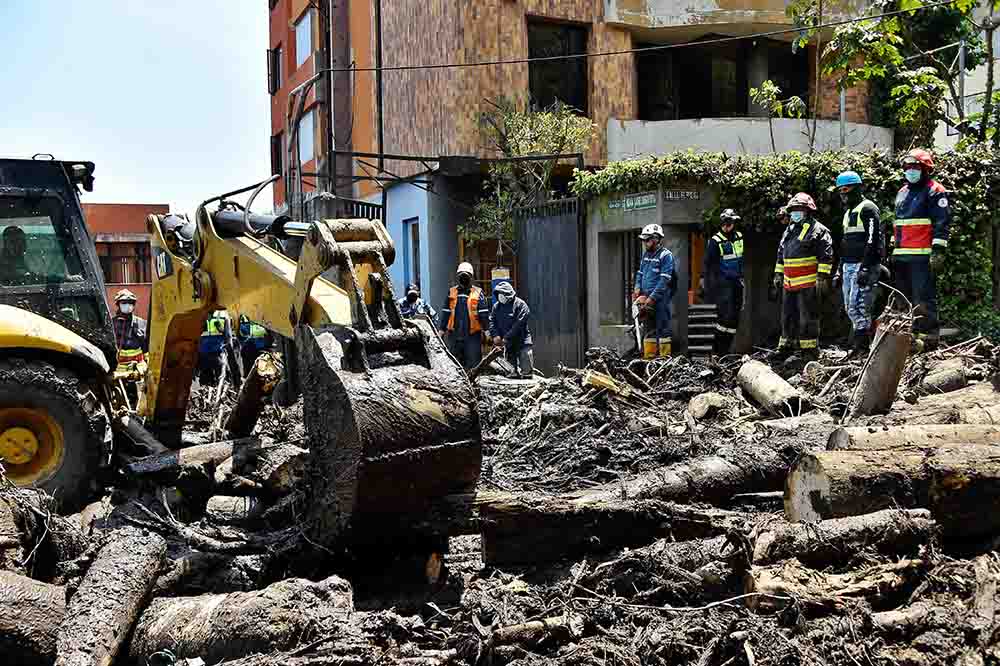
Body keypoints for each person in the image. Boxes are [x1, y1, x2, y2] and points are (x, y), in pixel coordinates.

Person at [891, 148, 950, 350]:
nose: (910, 170)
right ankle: (909, 339)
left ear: (926, 169)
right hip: (901, 256)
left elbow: (942, 223)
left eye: (915, 167)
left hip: (922, 257)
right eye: (907, 167)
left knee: (923, 299)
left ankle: (928, 340)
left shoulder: (935, 190)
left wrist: (938, 251)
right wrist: (893, 248)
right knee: (903, 300)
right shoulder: (902, 192)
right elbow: (899, 223)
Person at [773, 193, 834, 360]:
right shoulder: (789, 230)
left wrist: (821, 278)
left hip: (808, 284)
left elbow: (826, 256)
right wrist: (778, 274)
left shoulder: (819, 230)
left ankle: (809, 350)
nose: (795, 212)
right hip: (788, 283)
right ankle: (786, 347)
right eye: (793, 209)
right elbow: (781, 254)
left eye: (799, 209)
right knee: (787, 317)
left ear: (808, 210)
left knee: (807, 318)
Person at [834, 171, 882, 356]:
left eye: (846, 189)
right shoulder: (848, 213)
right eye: (840, 190)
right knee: (850, 307)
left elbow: (873, 240)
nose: (843, 193)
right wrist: (839, 269)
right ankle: (858, 345)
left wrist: (866, 267)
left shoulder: (868, 208)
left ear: (857, 188)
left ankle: (863, 347)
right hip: (848, 265)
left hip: (862, 265)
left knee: (861, 307)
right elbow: (845, 243)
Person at [702, 208, 744, 355]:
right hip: (723, 284)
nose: (728, 225)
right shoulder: (715, 241)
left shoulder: (739, 237)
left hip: (737, 282)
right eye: (725, 222)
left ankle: (725, 352)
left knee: (734, 318)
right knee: (724, 318)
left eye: (730, 222)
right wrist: (709, 286)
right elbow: (708, 265)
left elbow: (741, 258)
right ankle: (717, 351)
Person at [633, 224, 675, 359]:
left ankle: (664, 360)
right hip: (646, 299)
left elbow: (664, 280)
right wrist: (637, 288)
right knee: (649, 330)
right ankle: (649, 360)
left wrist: (651, 298)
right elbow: (640, 273)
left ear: (656, 239)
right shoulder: (646, 255)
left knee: (663, 330)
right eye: (644, 240)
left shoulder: (666, 256)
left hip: (660, 300)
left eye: (647, 240)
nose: (644, 243)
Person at [439, 263, 490, 369]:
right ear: (458, 276)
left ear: (471, 277)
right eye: (461, 275)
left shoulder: (478, 292)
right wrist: (441, 331)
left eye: (466, 275)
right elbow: (446, 312)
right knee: (454, 365)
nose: (464, 277)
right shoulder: (452, 292)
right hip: (454, 335)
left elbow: (483, 314)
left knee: (473, 366)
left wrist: (487, 332)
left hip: (472, 336)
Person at [489, 281, 534, 379]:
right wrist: (495, 335)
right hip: (508, 344)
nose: (501, 296)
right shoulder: (496, 307)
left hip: (522, 340)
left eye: (503, 294)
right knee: (511, 372)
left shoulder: (521, 305)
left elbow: (519, 324)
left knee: (527, 369)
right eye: (499, 294)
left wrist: (506, 337)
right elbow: (492, 321)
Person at [112, 288, 148, 369]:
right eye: (124, 303)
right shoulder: (112, 324)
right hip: (119, 367)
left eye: (130, 303)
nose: (127, 305)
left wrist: (146, 364)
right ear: (118, 304)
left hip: (139, 366)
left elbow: (147, 348)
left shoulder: (141, 323)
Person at [198, 310, 230, 385]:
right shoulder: (199, 317)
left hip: (216, 352)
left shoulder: (222, 316)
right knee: (206, 380)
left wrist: (221, 329)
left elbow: (228, 335)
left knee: (221, 378)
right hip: (205, 353)